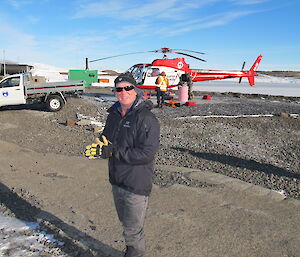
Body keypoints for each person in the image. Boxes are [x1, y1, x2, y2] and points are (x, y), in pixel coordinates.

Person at [86, 72, 160, 257]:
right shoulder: (113, 115)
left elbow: (146, 154)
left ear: (136, 91)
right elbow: (106, 139)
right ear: (115, 92)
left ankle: (134, 253)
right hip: (116, 180)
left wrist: (113, 151)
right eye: (119, 89)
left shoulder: (147, 119)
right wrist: (99, 146)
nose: (123, 92)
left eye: (128, 88)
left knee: (133, 229)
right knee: (125, 223)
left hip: (136, 184)